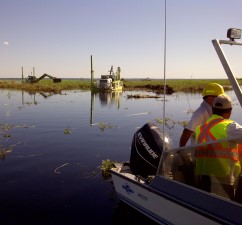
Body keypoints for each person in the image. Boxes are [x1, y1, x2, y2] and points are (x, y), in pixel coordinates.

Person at [195, 94, 242, 201]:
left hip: (203, 176)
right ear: (229, 111)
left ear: (213, 109)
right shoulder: (230, 127)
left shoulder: (200, 128)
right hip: (223, 178)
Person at [179, 83, 224, 147]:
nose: (222, 100)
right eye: (219, 98)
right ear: (210, 98)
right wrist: (181, 150)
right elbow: (187, 131)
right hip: (201, 149)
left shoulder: (213, 108)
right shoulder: (201, 112)